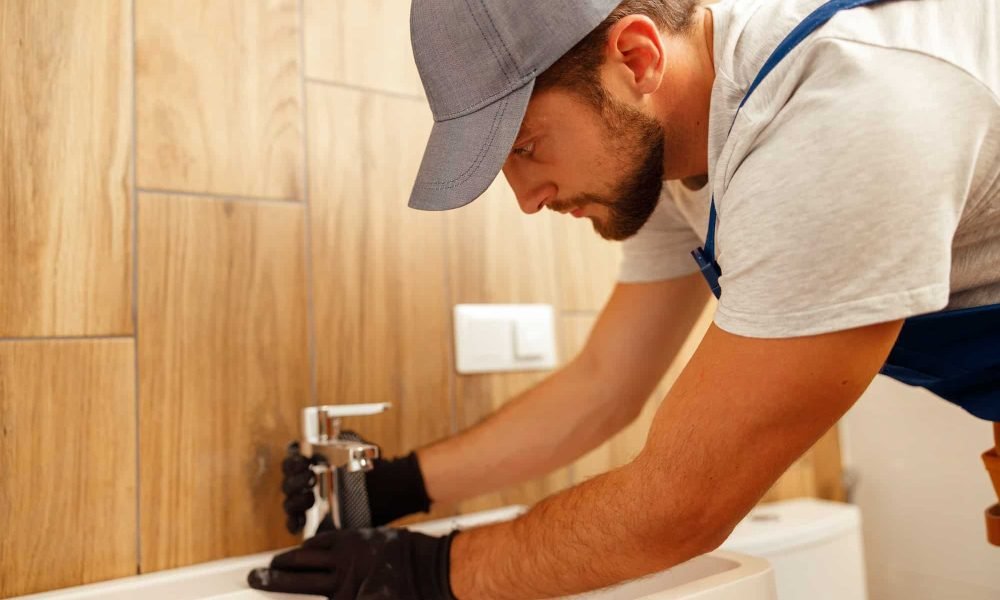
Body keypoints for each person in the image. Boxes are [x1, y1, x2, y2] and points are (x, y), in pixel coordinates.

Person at [249, 0, 1000, 598]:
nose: (527, 199)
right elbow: (604, 387)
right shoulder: (682, 156)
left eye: (526, 148)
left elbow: (684, 505)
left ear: (636, 58)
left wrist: (427, 573)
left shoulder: (835, 120)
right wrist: (394, 487)